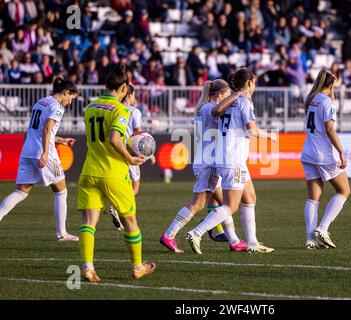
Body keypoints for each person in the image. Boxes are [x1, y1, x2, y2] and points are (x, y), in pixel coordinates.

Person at [77, 64, 155, 282]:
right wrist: (130, 158)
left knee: (89, 222)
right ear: (123, 87)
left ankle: (88, 267)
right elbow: (114, 138)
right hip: (113, 171)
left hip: (89, 170)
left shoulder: (90, 107)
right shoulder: (121, 110)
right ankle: (138, 266)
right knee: (130, 221)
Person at [185, 68, 277, 254]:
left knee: (250, 197)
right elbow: (251, 131)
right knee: (231, 206)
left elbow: (217, 112)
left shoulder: (230, 101)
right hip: (233, 158)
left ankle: (252, 243)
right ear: (250, 83)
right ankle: (197, 232)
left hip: (230, 157)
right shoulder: (244, 102)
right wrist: (269, 136)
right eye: (254, 82)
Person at [161, 80, 248, 253]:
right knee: (197, 204)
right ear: (219, 94)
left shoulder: (202, 108)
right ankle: (169, 235)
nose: (228, 97)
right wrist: (237, 95)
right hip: (209, 163)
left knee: (224, 203)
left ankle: (234, 241)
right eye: (226, 93)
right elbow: (218, 111)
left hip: (204, 160)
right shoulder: (209, 108)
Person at [0, 78, 79, 241]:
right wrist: (44, 152)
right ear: (66, 93)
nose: (70, 102)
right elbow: (46, 128)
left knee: (21, 192)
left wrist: (62, 140)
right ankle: (61, 233)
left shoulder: (41, 101)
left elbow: (41, 131)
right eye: (71, 98)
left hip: (27, 150)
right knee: (61, 191)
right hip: (44, 153)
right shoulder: (57, 107)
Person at [301, 69, 351, 250]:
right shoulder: (327, 101)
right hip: (324, 154)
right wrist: (341, 152)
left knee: (313, 197)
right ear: (331, 84)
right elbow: (330, 129)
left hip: (308, 152)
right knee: (344, 190)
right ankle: (322, 228)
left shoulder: (310, 98)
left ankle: (310, 239)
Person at [107, 85, 156, 231]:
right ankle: (117, 207)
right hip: (130, 152)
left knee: (120, 183)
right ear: (129, 95)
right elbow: (138, 136)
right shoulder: (134, 111)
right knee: (134, 187)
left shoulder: (113, 108)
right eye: (134, 95)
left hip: (114, 150)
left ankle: (113, 206)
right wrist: (149, 154)